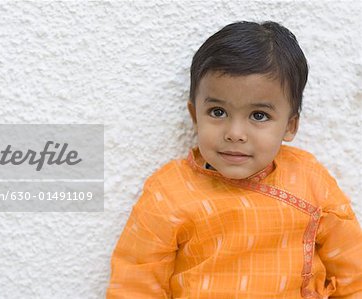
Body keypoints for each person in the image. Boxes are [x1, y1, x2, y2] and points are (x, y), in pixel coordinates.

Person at [106, 21, 362, 298]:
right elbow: (135, 283)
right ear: (195, 116)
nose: (235, 133)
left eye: (259, 115)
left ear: (290, 125)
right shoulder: (168, 193)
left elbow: (354, 275)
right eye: (217, 112)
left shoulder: (311, 180)